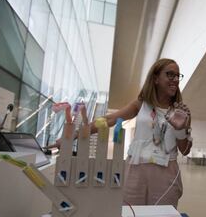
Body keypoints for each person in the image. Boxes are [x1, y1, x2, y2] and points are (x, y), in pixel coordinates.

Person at [50, 58, 192, 207]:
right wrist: (73, 135)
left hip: (166, 173)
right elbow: (110, 119)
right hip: (136, 170)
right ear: (155, 78)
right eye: (170, 74)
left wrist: (181, 129)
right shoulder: (141, 104)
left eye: (178, 76)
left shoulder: (181, 111)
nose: (175, 80)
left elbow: (185, 150)